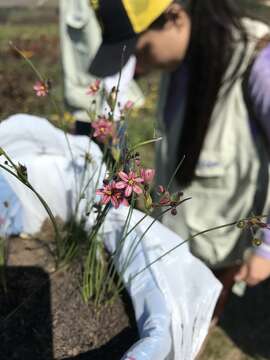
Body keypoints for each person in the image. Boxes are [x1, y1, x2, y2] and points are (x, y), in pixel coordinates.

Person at [88, 0, 270, 312]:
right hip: (181, 238)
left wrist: (266, 248)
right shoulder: (181, 61)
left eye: (141, 49)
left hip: (223, 246)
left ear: (174, 17)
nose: (137, 64)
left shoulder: (256, 61)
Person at [59, 0, 144, 135]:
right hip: (85, 105)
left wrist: (112, 112)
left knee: (110, 151)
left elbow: (119, 47)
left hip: (107, 109)